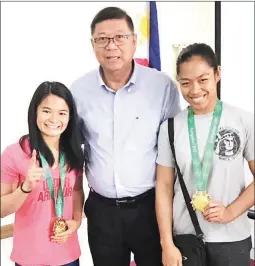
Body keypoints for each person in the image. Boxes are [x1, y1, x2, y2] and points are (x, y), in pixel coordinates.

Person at [70, 6, 181, 266]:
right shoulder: (79, 91)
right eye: (102, 39)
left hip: (149, 207)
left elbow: (175, 145)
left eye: (119, 37)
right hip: (102, 210)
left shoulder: (161, 86)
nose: (111, 46)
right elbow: (72, 148)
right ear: (93, 44)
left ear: (134, 41)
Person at [155, 43, 254, 266]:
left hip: (232, 238)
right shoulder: (170, 128)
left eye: (203, 79)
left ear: (217, 74)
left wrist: (230, 212)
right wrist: (167, 243)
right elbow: (163, 188)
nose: (195, 90)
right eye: (186, 83)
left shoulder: (243, 120)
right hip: (186, 238)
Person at [1, 81, 86, 266]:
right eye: (46, 111)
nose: (54, 119)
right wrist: (25, 188)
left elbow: (77, 191)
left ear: (70, 117)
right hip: (29, 258)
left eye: (62, 113)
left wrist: (77, 221)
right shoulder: (14, 153)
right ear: (35, 112)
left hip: (68, 255)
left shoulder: (73, 152)